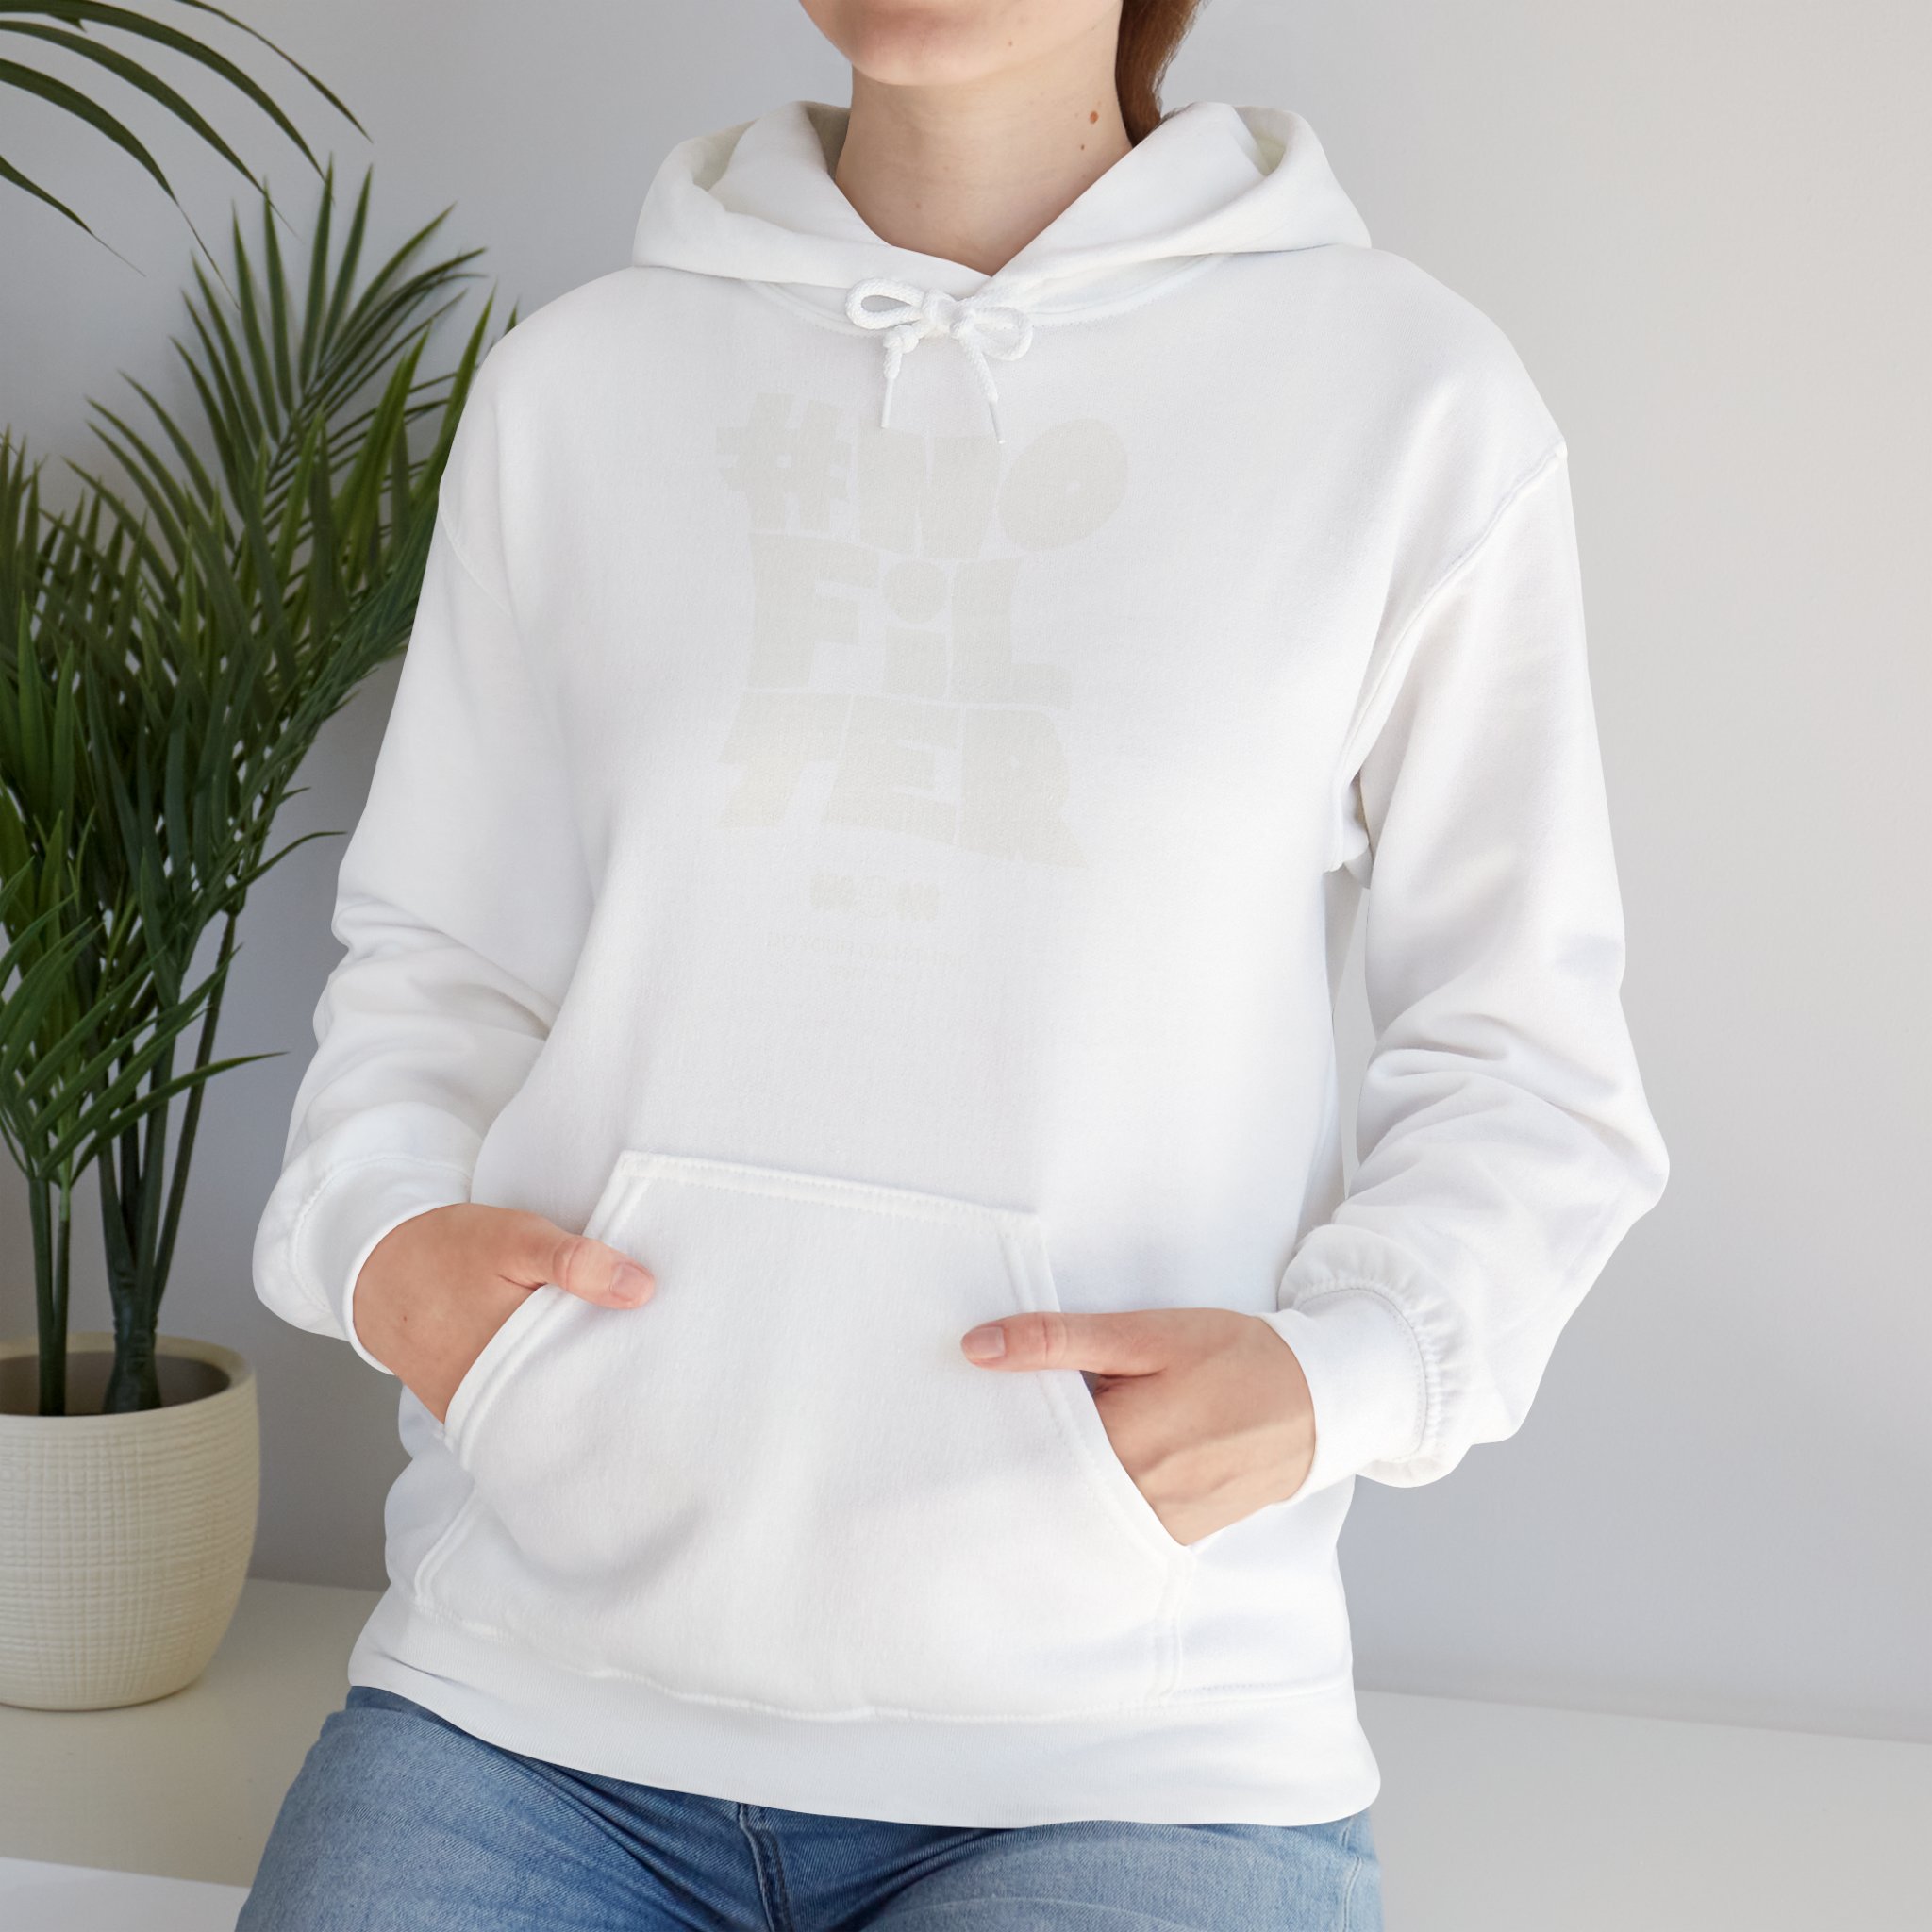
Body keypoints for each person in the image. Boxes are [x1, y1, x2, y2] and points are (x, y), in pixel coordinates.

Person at [240, 1, 1669, 1924]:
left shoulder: (1407, 405)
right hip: (529, 1705)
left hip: (1133, 1751)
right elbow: (439, 953)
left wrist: (1349, 1374)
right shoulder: (580, 387)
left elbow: (1525, 1059)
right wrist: (382, 1244)